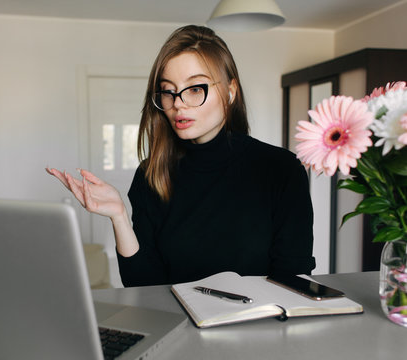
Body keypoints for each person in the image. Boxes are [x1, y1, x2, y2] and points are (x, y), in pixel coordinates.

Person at [47, 25, 315, 287]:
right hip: (178, 328)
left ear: (231, 91)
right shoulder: (151, 175)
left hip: (259, 328)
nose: (177, 103)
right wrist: (119, 216)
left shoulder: (280, 170)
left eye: (196, 88)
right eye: (168, 91)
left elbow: (293, 279)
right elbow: (142, 285)